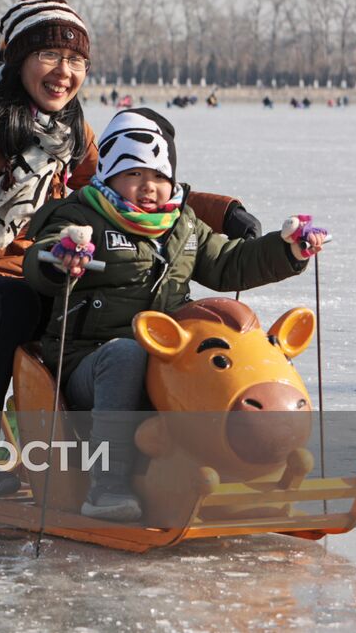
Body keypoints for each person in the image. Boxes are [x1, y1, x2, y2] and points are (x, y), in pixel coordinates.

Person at [0, 0, 261, 493]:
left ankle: (130, 452)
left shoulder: (72, 132)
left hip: (33, 271)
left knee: (124, 302)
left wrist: (222, 211)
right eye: (50, 56)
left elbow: (123, 187)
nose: (64, 72)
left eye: (76, 60)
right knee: (9, 303)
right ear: (17, 59)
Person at [25, 108, 327, 521]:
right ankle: (107, 485)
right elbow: (42, 255)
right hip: (89, 365)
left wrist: (286, 249)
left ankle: (241, 473)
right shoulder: (82, 216)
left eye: (158, 177)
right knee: (126, 355)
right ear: (109, 175)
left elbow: (229, 262)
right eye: (133, 175)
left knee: (229, 351)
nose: (147, 187)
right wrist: (60, 258)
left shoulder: (182, 223)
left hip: (167, 359)